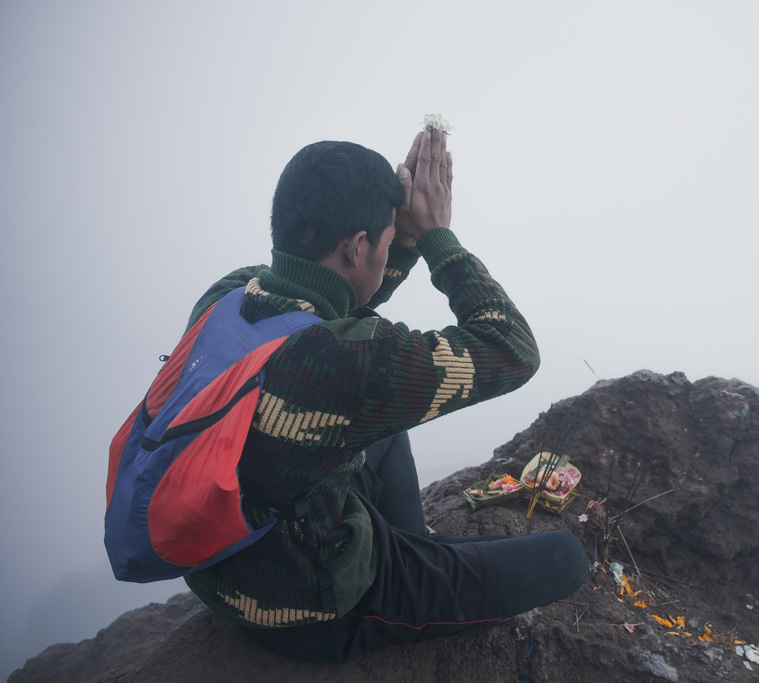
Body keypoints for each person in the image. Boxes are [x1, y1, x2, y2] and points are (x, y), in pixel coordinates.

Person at [178, 127, 589, 662]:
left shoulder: (230, 295)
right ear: (357, 247)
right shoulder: (347, 364)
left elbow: (334, 298)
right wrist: (438, 236)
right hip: (305, 605)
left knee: (388, 425)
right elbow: (511, 348)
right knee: (565, 558)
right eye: (388, 242)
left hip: (226, 556)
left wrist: (399, 234)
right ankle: (409, 578)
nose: (394, 248)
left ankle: (416, 553)